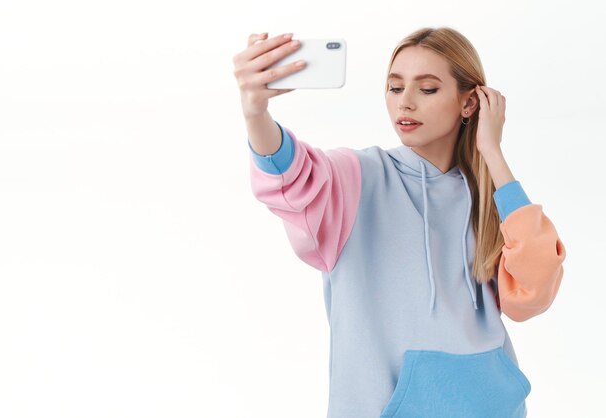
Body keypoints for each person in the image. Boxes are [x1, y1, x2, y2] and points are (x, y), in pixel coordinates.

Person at [232, 27, 566, 418]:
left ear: (470, 104)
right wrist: (256, 113)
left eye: (426, 89)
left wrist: (492, 152)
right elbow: (293, 173)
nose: (405, 103)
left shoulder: (488, 196)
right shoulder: (357, 177)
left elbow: (535, 289)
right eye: (394, 88)